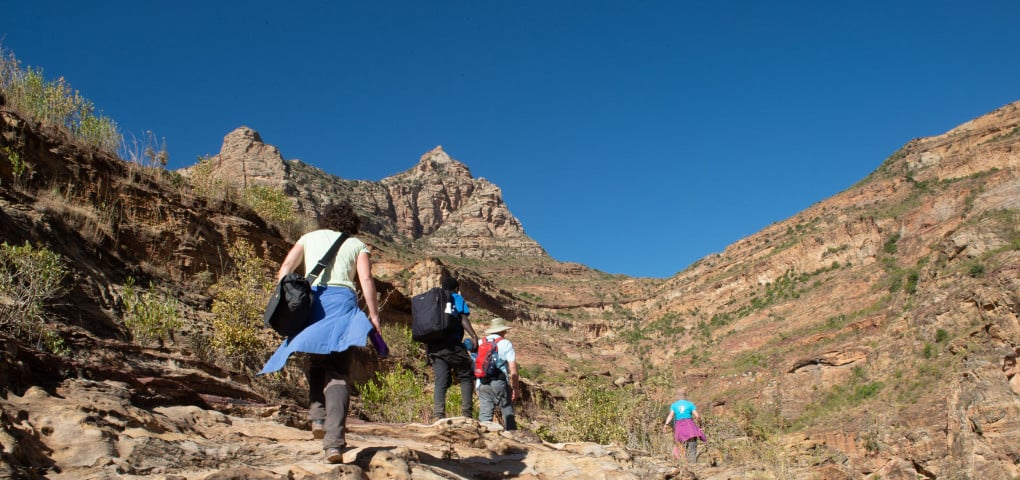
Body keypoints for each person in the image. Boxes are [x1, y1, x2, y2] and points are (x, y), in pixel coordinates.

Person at [258, 202, 382, 464]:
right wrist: (373, 315)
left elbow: (285, 269)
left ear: (326, 219)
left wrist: (288, 300)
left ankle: (316, 416)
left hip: (313, 303)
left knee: (317, 362)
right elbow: (366, 280)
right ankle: (334, 444)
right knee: (338, 372)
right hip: (342, 305)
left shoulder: (308, 238)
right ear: (352, 224)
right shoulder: (356, 245)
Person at [425, 276, 479, 421]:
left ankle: (438, 415)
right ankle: (467, 415)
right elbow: (462, 318)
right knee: (466, 374)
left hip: (434, 347)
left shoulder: (434, 300)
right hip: (452, 345)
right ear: (456, 288)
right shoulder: (455, 297)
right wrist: (474, 336)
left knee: (441, 381)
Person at [476, 317, 520, 431]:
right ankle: (513, 439)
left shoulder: (480, 342)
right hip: (499, 382)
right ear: (502, 330)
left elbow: (475, 364)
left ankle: (484, 440)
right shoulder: (505, 343)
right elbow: (513, 368)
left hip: (482, 382)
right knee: (507, 411)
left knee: (485, 415)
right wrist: (515, 387)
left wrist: (476, 386)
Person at [662, 389, 707, 465]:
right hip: (690, 427)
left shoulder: (674, 405)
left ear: (677, 396)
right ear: (685, 396)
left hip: (679, 428)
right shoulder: (690, 404)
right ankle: (693, 464)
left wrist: (666, 425)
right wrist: (700, 424)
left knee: (680, 446)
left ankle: (684, 465)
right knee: (692, 447)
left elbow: (670, 415)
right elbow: (697, 416)